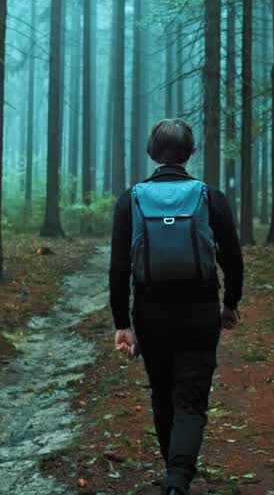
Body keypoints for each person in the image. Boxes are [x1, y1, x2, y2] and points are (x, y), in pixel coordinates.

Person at [110, 118, 245, 495]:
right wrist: (230, 304)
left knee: (162, 392)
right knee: (191, 398)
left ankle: (173, 474)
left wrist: (122, 322)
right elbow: (233, 259)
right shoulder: (209, 196)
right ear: (189, 152)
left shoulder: (131, 198)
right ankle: (178, 478)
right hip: (200, 311)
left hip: (149, 314)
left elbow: (119, 267)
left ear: (153, 153)